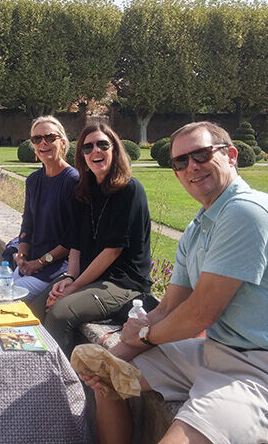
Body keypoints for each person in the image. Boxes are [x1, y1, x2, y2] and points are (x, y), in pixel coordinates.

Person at [81, 122, 268, 444]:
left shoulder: (244, 212)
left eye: (201, 154)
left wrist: (142, 334)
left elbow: (200, 315)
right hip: (214, 351)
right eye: (180, 162)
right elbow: (170, 305)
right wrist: (116, 355)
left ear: (231, 155)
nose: (191, 167)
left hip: (255, 368)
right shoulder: (199, 225)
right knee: (106, 375)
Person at [31, 123, 152, 358]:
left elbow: (112, 252)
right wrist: (69, 278)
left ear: (114, 149)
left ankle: (59, 383)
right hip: (90, 278)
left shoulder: (129, 190)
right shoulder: (83, 191)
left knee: (59, 313)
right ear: (82, 155)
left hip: (123, 284)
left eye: (102, 145)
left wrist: (74, 288)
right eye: (87, 147)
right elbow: (76, 244)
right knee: (35, 308)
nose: (95, 151)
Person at [13, 116, 79, 300]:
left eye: (50, 137)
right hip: (31, 265)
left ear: (63, 143)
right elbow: (28, 225)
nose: (43, 143)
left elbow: (73, 239)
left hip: (57, 269)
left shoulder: (73, 181)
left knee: (6, 299)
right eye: (37, 139)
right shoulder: (33, 180)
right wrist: (21, 256)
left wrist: (41, 262)